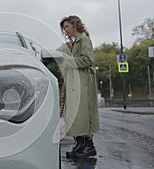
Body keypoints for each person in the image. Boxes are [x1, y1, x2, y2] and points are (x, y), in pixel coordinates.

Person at [59, 15, 99, 159]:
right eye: (64, 29)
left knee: (83, 114)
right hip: (77, 83)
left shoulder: (84, 40)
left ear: (75, 25)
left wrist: (68, 60)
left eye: (67, 27)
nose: (66, 31)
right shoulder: (76, 42)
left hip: (84, 83)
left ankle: (88, 146)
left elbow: (88, 60)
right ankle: (80, 145)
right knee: (76, 115)